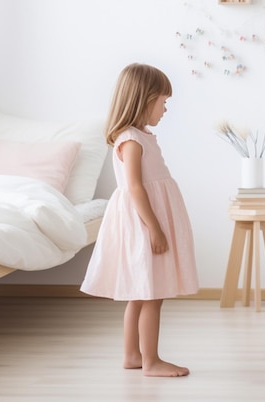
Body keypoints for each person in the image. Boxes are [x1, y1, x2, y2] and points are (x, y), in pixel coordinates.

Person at [81, 63, 199, 377]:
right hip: (143, 223)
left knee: (140, 292)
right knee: (152, 295)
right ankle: (151, 361)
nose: (165, 108)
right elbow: (134, 187)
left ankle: (132, 355)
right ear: (143, 100)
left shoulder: (140, 135)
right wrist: (155, 229)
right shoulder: (131, 139)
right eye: (162, 101)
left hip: (145, 220)